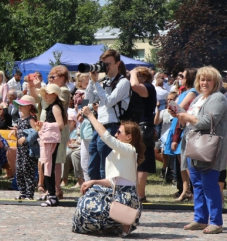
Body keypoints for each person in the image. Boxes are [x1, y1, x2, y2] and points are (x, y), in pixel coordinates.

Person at [170, 66, 227, 234]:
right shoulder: (199, 98)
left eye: (208, 80)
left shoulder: (217, 98)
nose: (204, 83)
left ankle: (216, 222)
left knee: (210, 185)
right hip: (195, 146)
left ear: (216, 82)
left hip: (210, 148)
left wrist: (187, 117)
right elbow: (191, 120)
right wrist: (179, 114)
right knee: (197, 184)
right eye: (202, 79)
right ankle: (200, 219)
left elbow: (206, 122)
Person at [73, 109, 144, 237]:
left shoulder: (129, 149)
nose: (116, 134)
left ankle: (122, 223)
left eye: (119, 132)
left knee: (89, 203)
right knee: (88, 195)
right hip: (117, 191)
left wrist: (90, 116)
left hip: (125, 197)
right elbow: (113, 181)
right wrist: (93, 181)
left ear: (129, 137)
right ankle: (113, 226)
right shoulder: (121, 151)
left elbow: (106, 137)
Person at [84, 50, 131, 181]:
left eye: (108, 64)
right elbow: (90, 98)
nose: (105, 67)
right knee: (92, 165)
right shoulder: (103, 81)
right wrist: (92, 81)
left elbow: (109, 102)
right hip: (98, 126)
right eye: (103, 64)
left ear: (118, 63)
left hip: (112, 126)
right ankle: (94, 193)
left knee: (105, 165)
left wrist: (97, 84)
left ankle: (107, 196)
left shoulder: (123, 82)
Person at [28, 66, 71, 199]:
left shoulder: (63, 91)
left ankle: (56, 189)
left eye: (52, 77)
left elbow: (49, 102)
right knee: (46, 160)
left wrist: (42, 87)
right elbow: (36, 99)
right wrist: (31, 86)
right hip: (46, 128)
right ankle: (48, 187)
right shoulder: (49, 91)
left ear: (62, 78)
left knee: (56, 160)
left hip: (57, 130)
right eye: (49, 77)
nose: (50, 80)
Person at [166, 68, 198, 202]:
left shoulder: (192, 92)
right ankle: (186, 190)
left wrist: (172, 106)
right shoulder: (184, 91)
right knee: (181, 161)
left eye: (183, 76)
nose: (180, 78)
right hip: (177, 124)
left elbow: (178, 108)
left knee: (186, 160)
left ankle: (194, 191)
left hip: (184, 125)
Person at [35, 84, 66, 207]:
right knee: (45, 165)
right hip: (48, 139)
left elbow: (60, 125)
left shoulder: (55, 107)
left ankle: (52, 195)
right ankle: (50, 193)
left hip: (51, 139)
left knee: (48, 166)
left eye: (47, 93)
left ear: (54, 95)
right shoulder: (51, 107)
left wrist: (45, 124)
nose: (45, 96)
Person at [129, 67, 157, 202]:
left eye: (137, 76)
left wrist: (133, 72)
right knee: (136, 162)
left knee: (142, 163)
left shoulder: (148, 87)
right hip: (138, 127)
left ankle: (140, 195)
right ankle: (136, 194)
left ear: (144, 78)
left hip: (144, 128)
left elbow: (134, 85)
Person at [12, 95, 39, 200]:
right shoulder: (20, 120)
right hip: (20, 150)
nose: (20, 107)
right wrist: (15, 133)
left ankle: (29, 194)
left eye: (22, 105)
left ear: (28, 107)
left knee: (28, 171)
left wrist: (26, 138)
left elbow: (36, 131)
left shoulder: (31, 119)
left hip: (28, 150)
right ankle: (22, 192)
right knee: (19, 170)